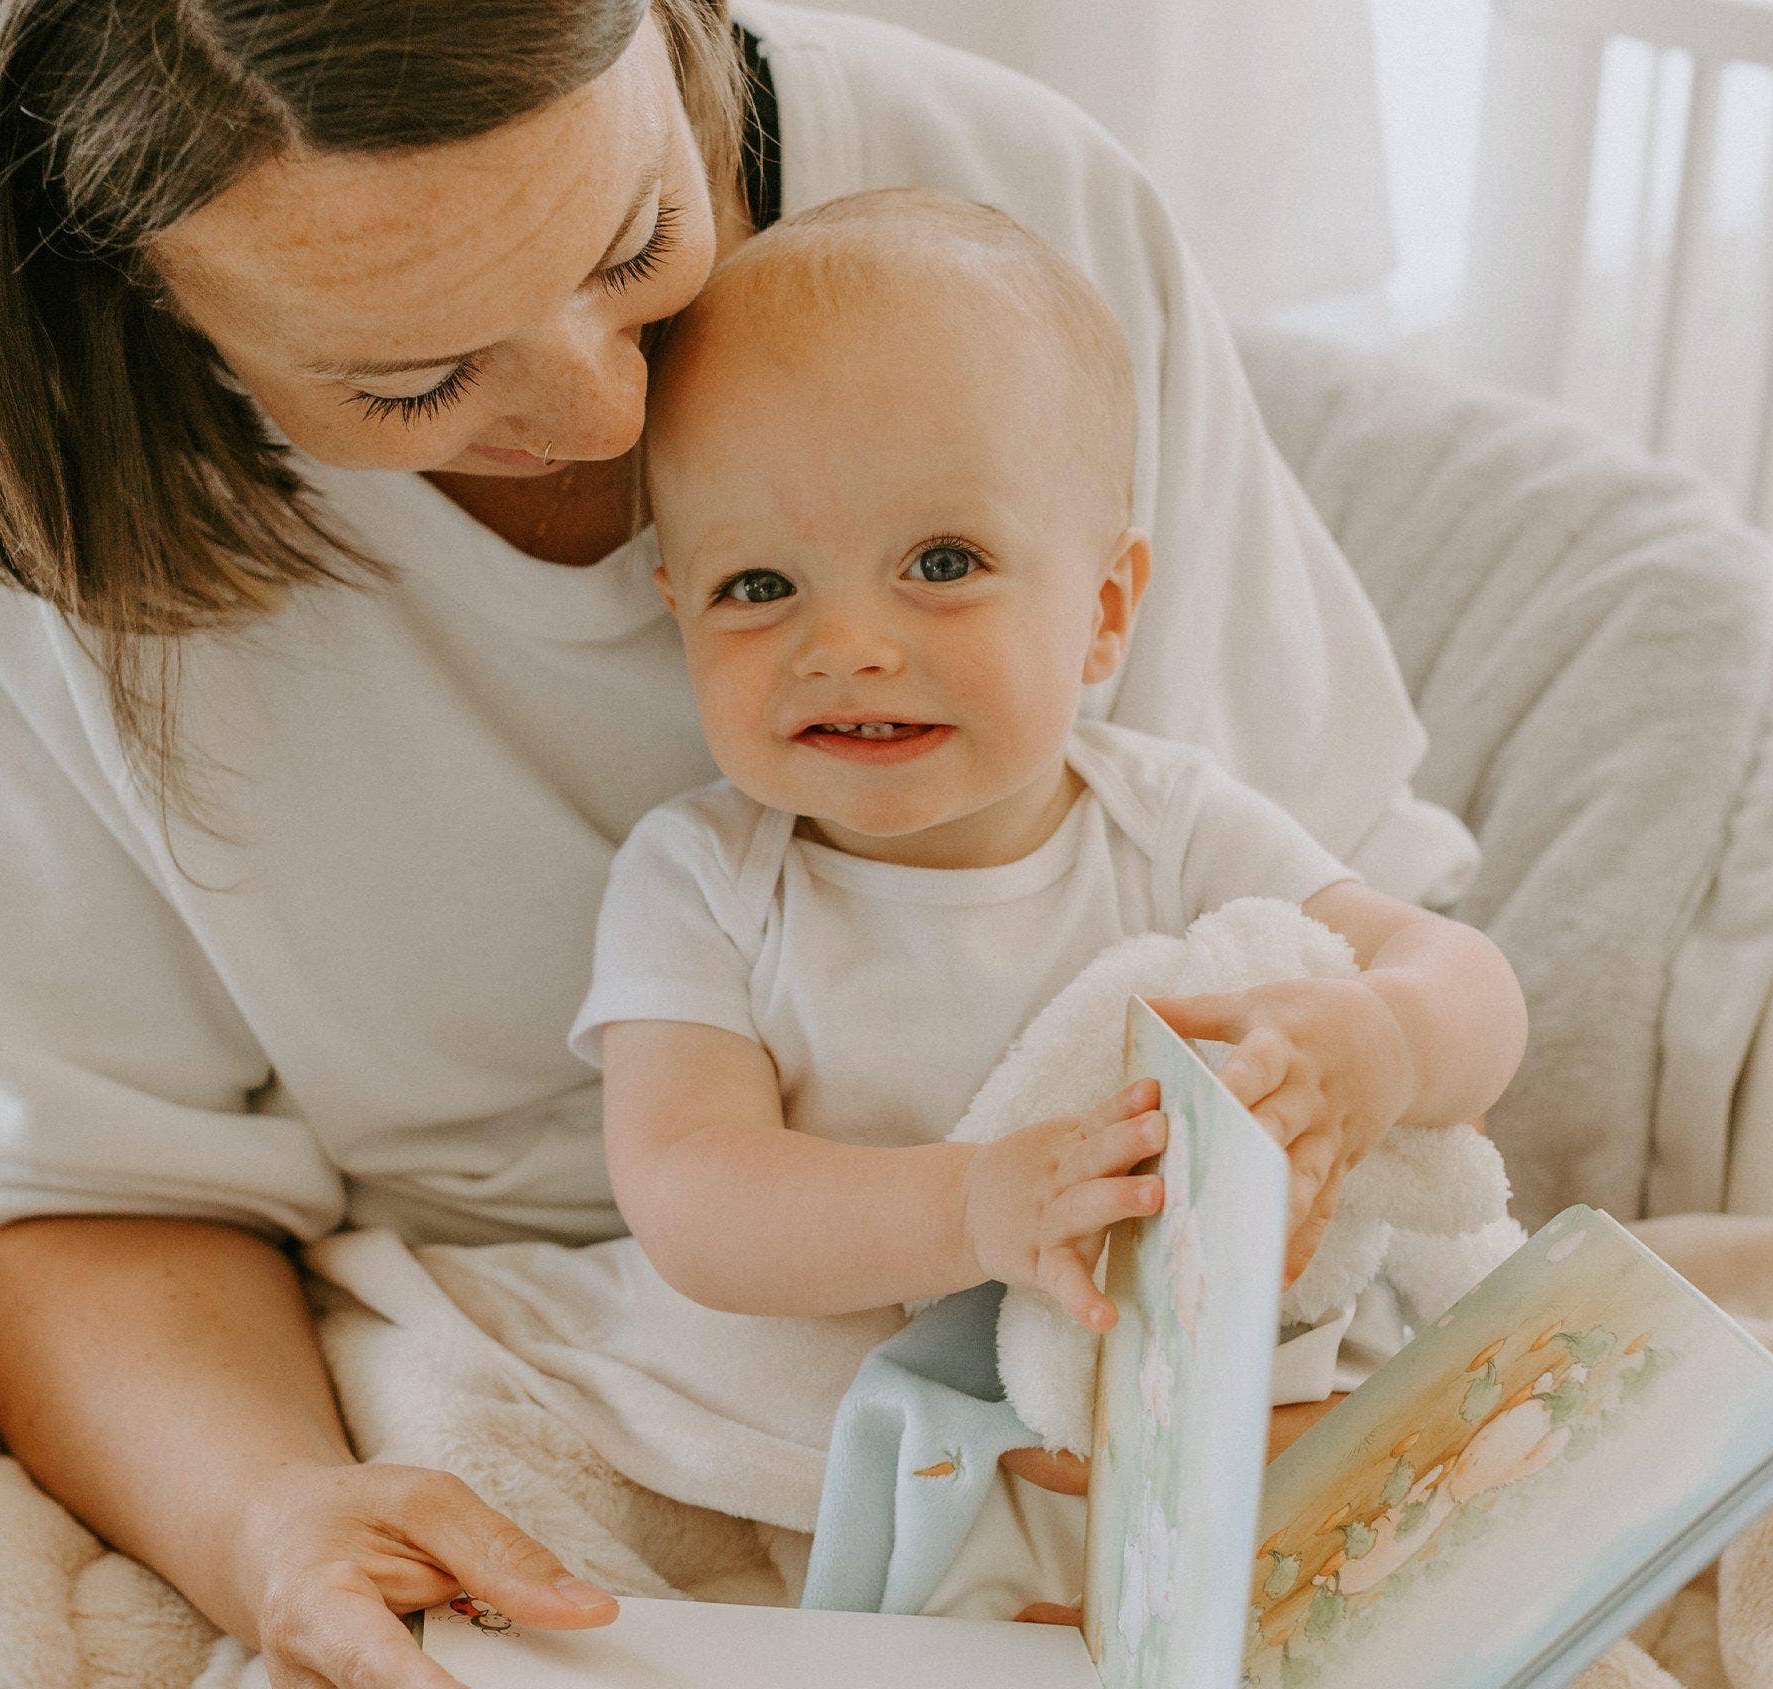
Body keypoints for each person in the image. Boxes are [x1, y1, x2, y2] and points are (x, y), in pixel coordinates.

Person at [0, 0, 1478, 1689]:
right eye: (409, 382)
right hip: (555, 1367)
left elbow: (1330, 957)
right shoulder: (3, 501)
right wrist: (275, 1526)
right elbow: (95, 1180)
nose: (613, 415)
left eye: (639, 244)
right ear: (128, 308)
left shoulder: (1015, 210)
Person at [570, 192, 1526, 1610]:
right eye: (758, 586)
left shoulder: (1172, 822)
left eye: (941, 566)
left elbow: (1465, 981)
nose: (845, 647)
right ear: (676, 606)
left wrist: (1376, 1044)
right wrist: (969, 1208)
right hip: (877, 1430)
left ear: (1103, 611)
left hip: (1182, 1417)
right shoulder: (706, 877)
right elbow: (690, 1192)